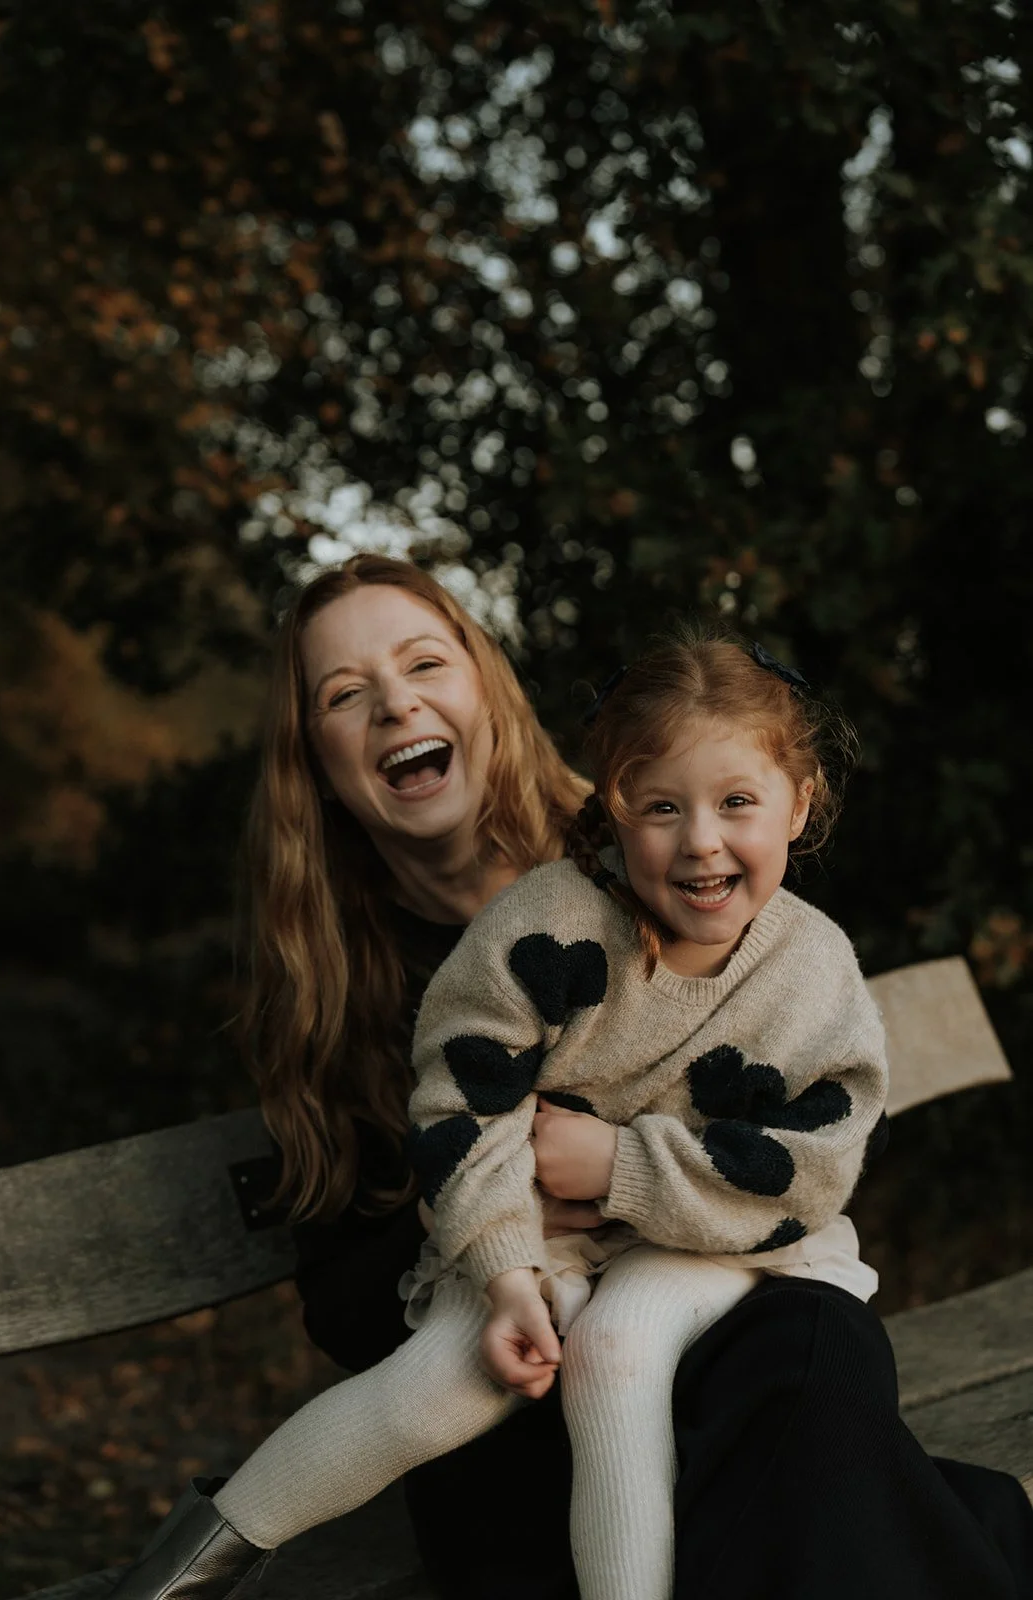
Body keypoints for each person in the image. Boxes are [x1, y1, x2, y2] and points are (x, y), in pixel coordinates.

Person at [107, 558, 1033, 1600]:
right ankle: (174, 1574)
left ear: (485, 689)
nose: (395, 701)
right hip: (527, 1365)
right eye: (343, 692)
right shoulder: (431, 959)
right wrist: (515, 1254)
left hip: (724, 1297)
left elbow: (809, 1138)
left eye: (421, 662)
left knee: (781, 1355)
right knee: (508, 1381)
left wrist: (610, 1164)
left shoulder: (684, 869)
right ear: (313, 759)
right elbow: (361, 1283)